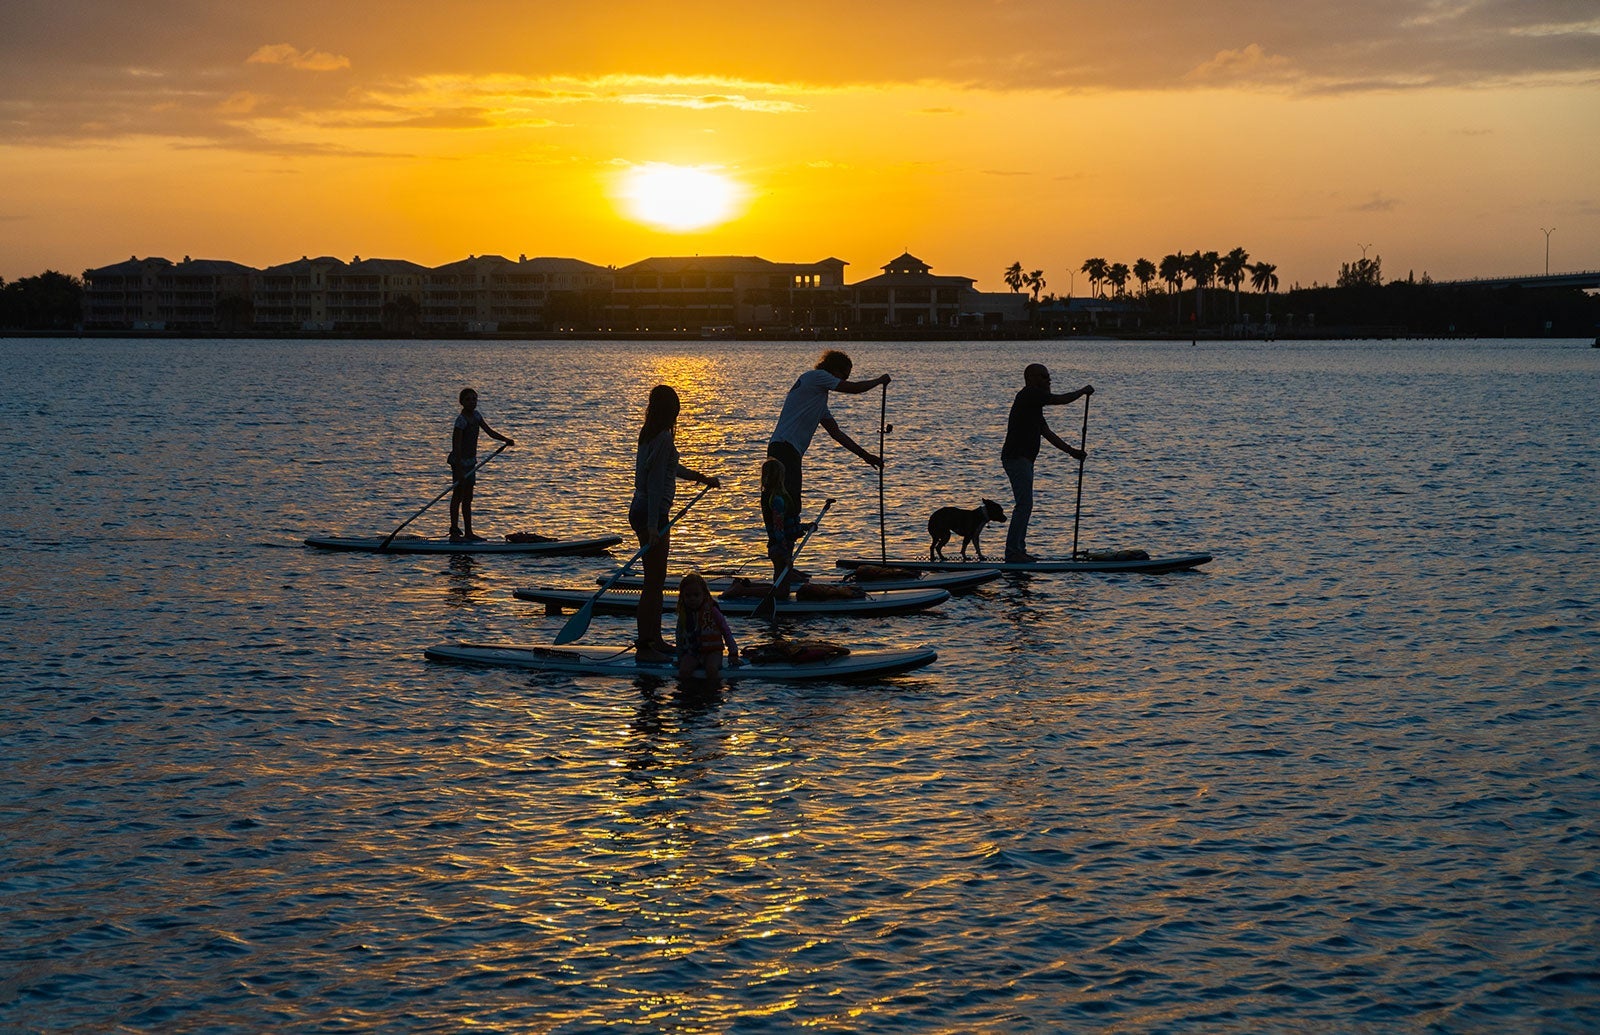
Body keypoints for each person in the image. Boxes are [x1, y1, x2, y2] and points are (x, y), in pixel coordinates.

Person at [630, 385, 720, 664]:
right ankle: (646, 645)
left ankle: (654, 639)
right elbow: (656, 483)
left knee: (653, 582)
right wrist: (654, 526)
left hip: (642, 509)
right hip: (651, 513)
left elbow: (671, 469)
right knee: (654, 583)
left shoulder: (649, 435)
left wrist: (701, 478)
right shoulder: (663, 437)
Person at [766, 350, 889, 515]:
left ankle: (787, 536)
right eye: (843, 376)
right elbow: (854, 389)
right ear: (833, 369)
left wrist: (866, 456)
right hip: (785, 448)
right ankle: (784, 537)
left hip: (785, 449)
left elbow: (836, 433)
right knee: (786, 499)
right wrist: (879, 381)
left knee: (789, 499)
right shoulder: (816, 376)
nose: (842, 380)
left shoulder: (817, 399)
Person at [1001, 364, 1093, 563]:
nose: (1048, 380)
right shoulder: (1029, 394)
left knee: (1025, 504)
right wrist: (1083, 391)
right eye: (1043, 377)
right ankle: (1013, 553)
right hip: (1016, 458)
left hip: (1024, 460)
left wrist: (1073, 452)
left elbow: (1048, 434)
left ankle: (1018, 551)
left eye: (1049, 377)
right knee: (1024, 504)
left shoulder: (1033, 406)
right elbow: (1061, 400)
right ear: (1031, 378)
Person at [448, 387, 514, 542]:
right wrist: (458, 471)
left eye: (474, 399)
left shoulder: (476, 416)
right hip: (459, 462)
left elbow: (490, 432)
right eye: (468, 399)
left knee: (468, 497)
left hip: (471, 462)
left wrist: (505, 440)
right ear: (462, 402)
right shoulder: (461, 421)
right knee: (458, 496)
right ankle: (454, 533)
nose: (472, 402)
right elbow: (456, 447)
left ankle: (469, 532)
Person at [674, 572, 739, 680]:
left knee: (711, 669)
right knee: (684, 670)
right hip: (693, 652)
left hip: (713, 652)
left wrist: (733, 653)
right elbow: (679, 637)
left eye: (696, 595)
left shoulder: (712, 611)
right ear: (682, 596)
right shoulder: (684, 615)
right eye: (688, 596)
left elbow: (726, 631)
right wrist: (680, 658)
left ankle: (713, 693)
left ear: (704, 594)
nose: (692, 599)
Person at [759, 457, 803, 599]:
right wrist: (785, 554)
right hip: (780, 548)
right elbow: (778, 529)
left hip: (783, 545)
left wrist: (804, 527)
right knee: (781, 589)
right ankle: (742, 590)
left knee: (784, 585)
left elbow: (784, 523)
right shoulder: (776, 499)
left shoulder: (772, 496)